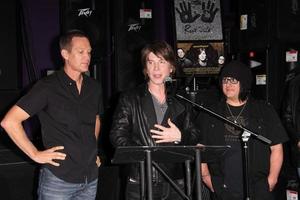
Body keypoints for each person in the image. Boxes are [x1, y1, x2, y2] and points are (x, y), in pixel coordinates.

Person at [0, 30, 104, 200]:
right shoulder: (47, 87)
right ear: (65, 54)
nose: (87, 56)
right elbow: (9, 122)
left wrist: (92, 152)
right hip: (58, 180)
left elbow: (96, 119)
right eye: (81, 52)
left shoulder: (94, 87)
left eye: (89, 52)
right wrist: (35, 154)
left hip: (90, 178)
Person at [109, 41, 201, 200]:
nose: (156, 68)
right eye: (151, 62)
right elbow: (117, 136)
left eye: (161, 62)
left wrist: (180, 137)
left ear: (171, 67)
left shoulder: (182, 99)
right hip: (141, 179)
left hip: (175, 181)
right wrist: (144, 154)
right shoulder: (130, 98)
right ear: (145, 68)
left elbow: (195, 134)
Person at [198, 61, 288, 199]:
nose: (228, 84)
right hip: (223, 187)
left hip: (258, 187)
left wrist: (272, 179)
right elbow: (200, 146)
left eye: (233, 80)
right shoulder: (210, 112)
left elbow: (276, 147)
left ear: (244, 82)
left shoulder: (264, 110)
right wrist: (206, 177)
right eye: (225, 80)